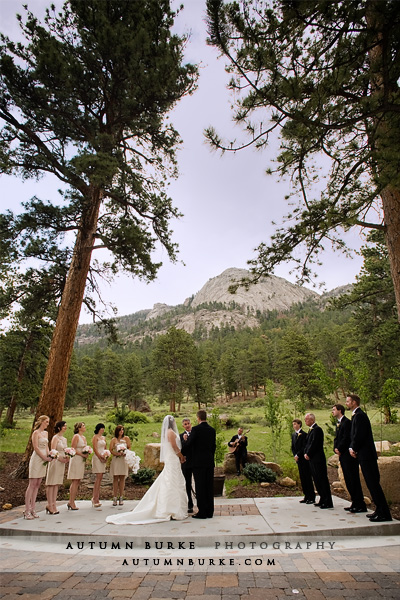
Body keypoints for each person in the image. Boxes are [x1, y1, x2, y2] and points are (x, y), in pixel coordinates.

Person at [106, 415, 187, 524]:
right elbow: (174, 447)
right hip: (173, 458)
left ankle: (169, 507)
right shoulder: (171, 433)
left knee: (169, 481)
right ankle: (170, 508)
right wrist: (181, 456)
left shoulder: (168, 432)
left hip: (172, 459)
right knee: (171, 481)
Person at [346, 394, 392, 522]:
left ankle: (384, 513)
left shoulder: (360, 416)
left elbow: (359, 435)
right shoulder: (357, 415)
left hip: (367, 455)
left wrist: (353, 448)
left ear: (354, 402)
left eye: (348, 401)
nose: (346, 403)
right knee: (371, 484)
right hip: (363, 454)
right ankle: (379, 510)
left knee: (373, 483)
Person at [181, 410, 216, 519]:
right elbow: (213, 446)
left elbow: (189, 445)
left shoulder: (196, 429)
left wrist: (185, 441)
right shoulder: (212, 430)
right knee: (209, 487)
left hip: (198, 462)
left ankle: (202, 512)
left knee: (200, 487)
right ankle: (210, 511)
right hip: (209, 461)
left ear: (198, 418)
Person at [332, 404, 366, 513]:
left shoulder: (346, 422)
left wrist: (340, 448)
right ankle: (354, 502)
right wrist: (335, 448)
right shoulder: (339, 423)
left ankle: (360, 504)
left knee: (353, 479)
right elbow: (337, 438)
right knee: (348, 480)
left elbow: (347, 438)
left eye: (334, 409)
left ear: (340, 410)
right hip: (342, 455)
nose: (332, 411)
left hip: (348, 455)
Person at [24, 415, 52, 519]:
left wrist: (50, 454)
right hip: (37, 459)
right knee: (32, 484)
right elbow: (36, 447)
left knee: (38, 484)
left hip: (44, 459)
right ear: (41, 422)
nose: (47, 424)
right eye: (46, 422)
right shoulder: (36, 433)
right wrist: (44, 457)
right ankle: (27, 510)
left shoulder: (46, 433)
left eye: (48, 422)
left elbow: (47, 446)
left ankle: (33, 508)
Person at [304, 413, 333, 509]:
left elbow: (314, 444)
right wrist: (306, 453)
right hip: (312, 459)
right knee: (316, 479)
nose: (305, 421)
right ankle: (322, 498)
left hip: (318, 459)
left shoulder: (317, 430)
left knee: (322, 479)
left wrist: (308, 453)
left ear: (312, 420)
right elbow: (307, 443)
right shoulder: (310, 430)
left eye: (307, 419)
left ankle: (327, 501)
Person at [45, 420, 69, 515]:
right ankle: (49, 504)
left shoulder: (64, 439)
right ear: (59, 427)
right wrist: (60, 458)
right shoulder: (55, 438)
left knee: (57, 484)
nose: (65, 427)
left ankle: (54, 504)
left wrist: (68, 457)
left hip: (62, 462)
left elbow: (65, 450)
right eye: (64, 426)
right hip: (55, 462)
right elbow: (53, 451)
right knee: (51, 483)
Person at [291, 419, 315, 504]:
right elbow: (293, 447)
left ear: (299, 424)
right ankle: (306, 495)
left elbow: (304, 446)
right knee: (302, 478)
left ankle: (311, 496)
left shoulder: (304, 435)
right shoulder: (293, 435)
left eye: (295, 424)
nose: (294, 426)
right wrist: (294, 455)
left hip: (303, 459)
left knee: (307, 477)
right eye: (293, 424)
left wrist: (298, 454)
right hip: (298, 460)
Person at [67, 422, 88, 510]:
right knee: (75, 481)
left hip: (81, 460)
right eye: (83, 426)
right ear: (79, 428)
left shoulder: (84, 437)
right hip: (76, 459)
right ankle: (71, 502)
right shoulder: (76, 436)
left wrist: (87, 452)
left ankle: (71, 501)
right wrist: (82, 455)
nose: (84, 427)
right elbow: (73, 448)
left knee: (78, 480)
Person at [109, 425, 131, 506]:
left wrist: (126, 453)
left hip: (123, 460)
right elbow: (110, 450)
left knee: (122, 478)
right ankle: (114, 497)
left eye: (122, 430)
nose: (122, 431)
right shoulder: (114, 440)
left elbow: (129, 447)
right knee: (115, 478)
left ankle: (121, 497)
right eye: (120, 430)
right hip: (116, 460)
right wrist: (117, 453)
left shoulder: (126, 438)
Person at [180, 417, 194, 514]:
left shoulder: (195, 434)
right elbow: (181, 450)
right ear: (183, 426)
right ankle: (190, 504)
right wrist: (184, 441)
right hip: (186, 463)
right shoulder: (181, 436)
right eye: (185, 424)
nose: (187, 425)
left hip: (196, 462)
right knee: (187, 484)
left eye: (188, 423)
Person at [91, 423, 108, 508]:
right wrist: (100, 457)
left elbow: (105, 448)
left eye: (103, 428)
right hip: (97, 457)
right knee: (98, 476)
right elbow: (95, 448)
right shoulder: (95, 437)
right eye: (101, 428)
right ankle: (95, 498)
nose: (102, 429)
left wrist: (106, 455)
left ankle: (97, 497)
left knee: (101, 477)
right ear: (98, 429)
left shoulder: (103, 438)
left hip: (103, 456)